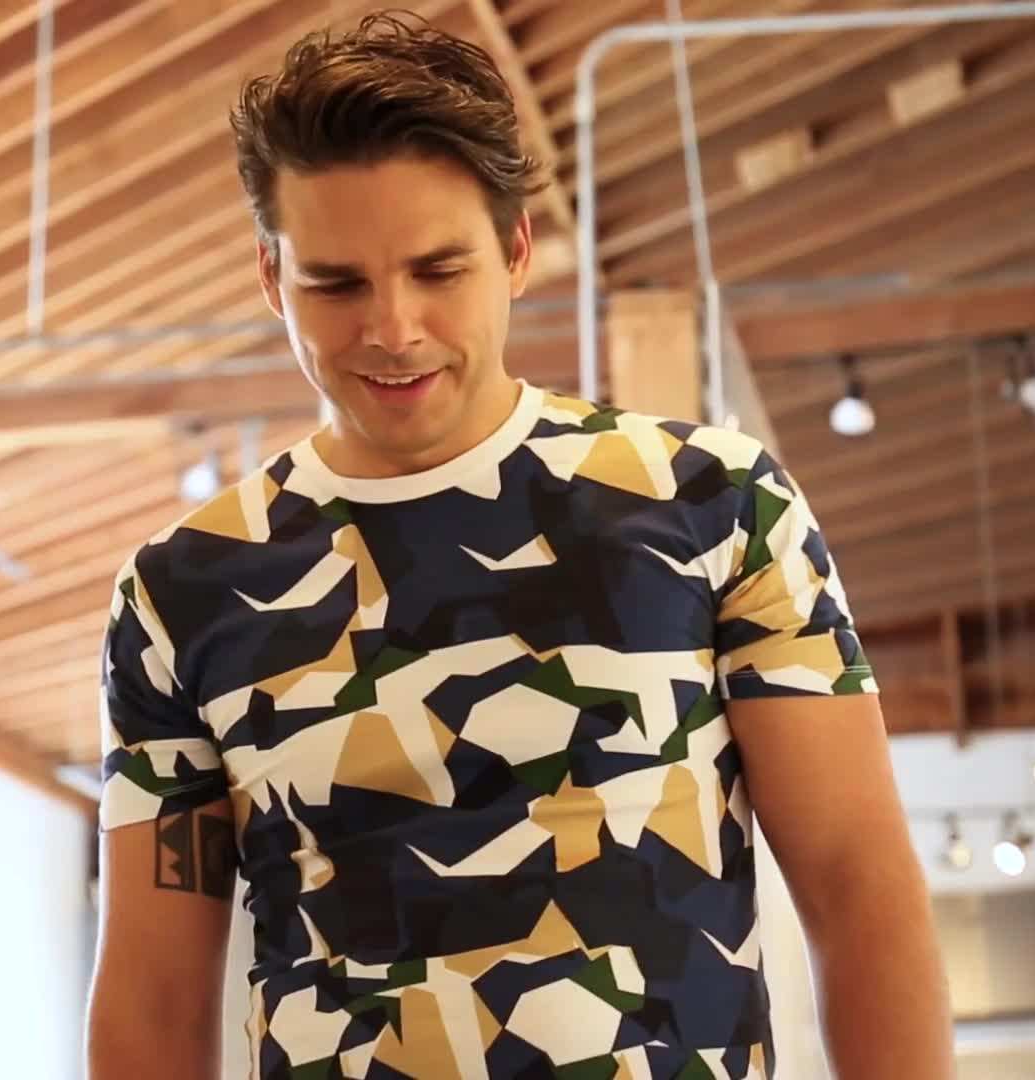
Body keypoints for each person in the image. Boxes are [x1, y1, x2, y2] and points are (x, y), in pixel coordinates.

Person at [84, 11, 953, 1079]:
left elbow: (860, 887)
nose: (392, 327)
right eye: (336, 283)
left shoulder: (712, 504)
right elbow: (152, 995)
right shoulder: (184, 591)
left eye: (438, 270)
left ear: (516, 251)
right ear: (272, 279)